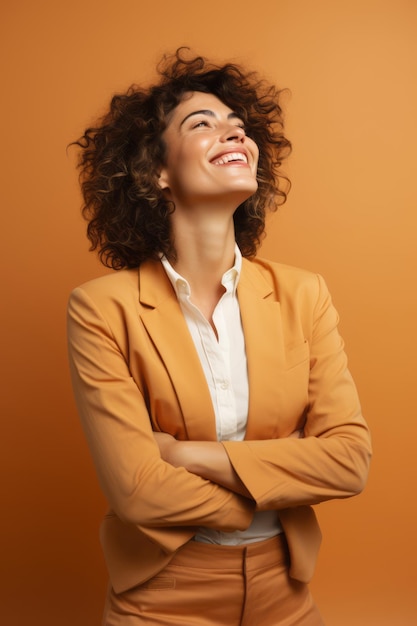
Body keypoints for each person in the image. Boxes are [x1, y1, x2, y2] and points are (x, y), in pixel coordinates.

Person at [67, 48, 372, 626]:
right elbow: (137, 492)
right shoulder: (100, 309)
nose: (233, 132)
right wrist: (275, 490)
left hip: (286, 588)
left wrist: (182, 455)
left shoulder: (304, 294)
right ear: (155, 170)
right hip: (163, 594)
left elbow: (350, 461)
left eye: (239, 125)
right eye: (201, 123)